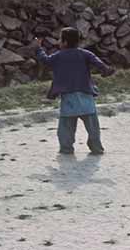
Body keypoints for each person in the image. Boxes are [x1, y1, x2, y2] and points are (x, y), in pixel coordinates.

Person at [35, 27, 115, 156]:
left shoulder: (58, 56)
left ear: (65, 43)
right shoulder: (85, 54)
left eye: (60, 39)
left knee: (66, 127)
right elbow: (100, 64)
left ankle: (66, 149)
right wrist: (106, 71)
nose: (58, 41)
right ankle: (96, 148)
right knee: (92, 126)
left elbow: (46, 60)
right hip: (86, 95)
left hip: (68, 97)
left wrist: (39, 48)